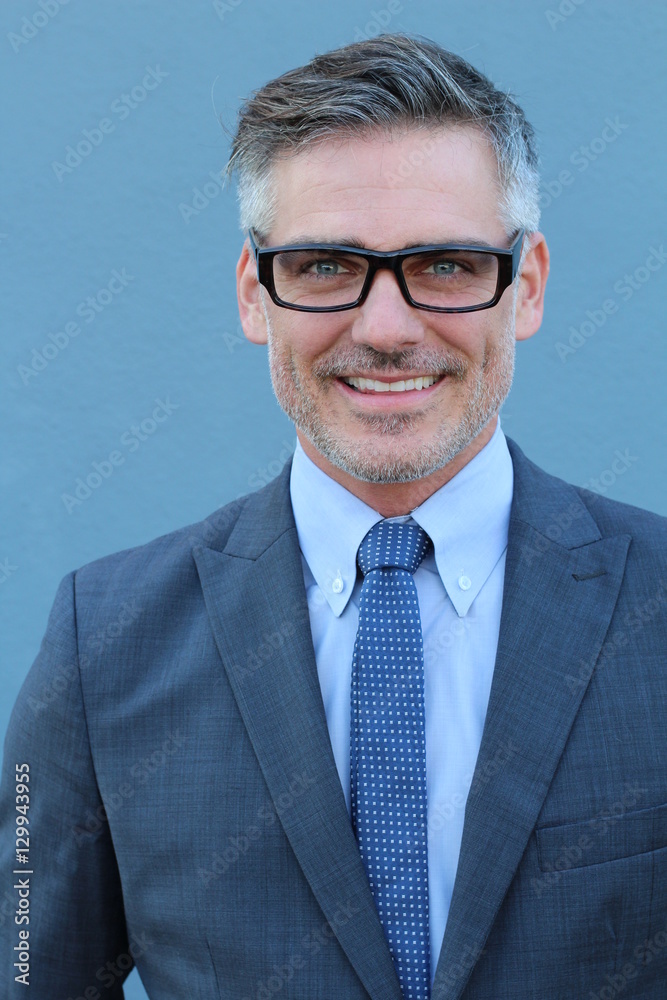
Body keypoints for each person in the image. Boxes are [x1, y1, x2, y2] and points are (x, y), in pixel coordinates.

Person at [1, 32, 665, 1000]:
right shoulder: (101, 647)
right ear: (252, 294)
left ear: (524, 286)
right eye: (322, 266)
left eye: (442, 264)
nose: (386, 328)